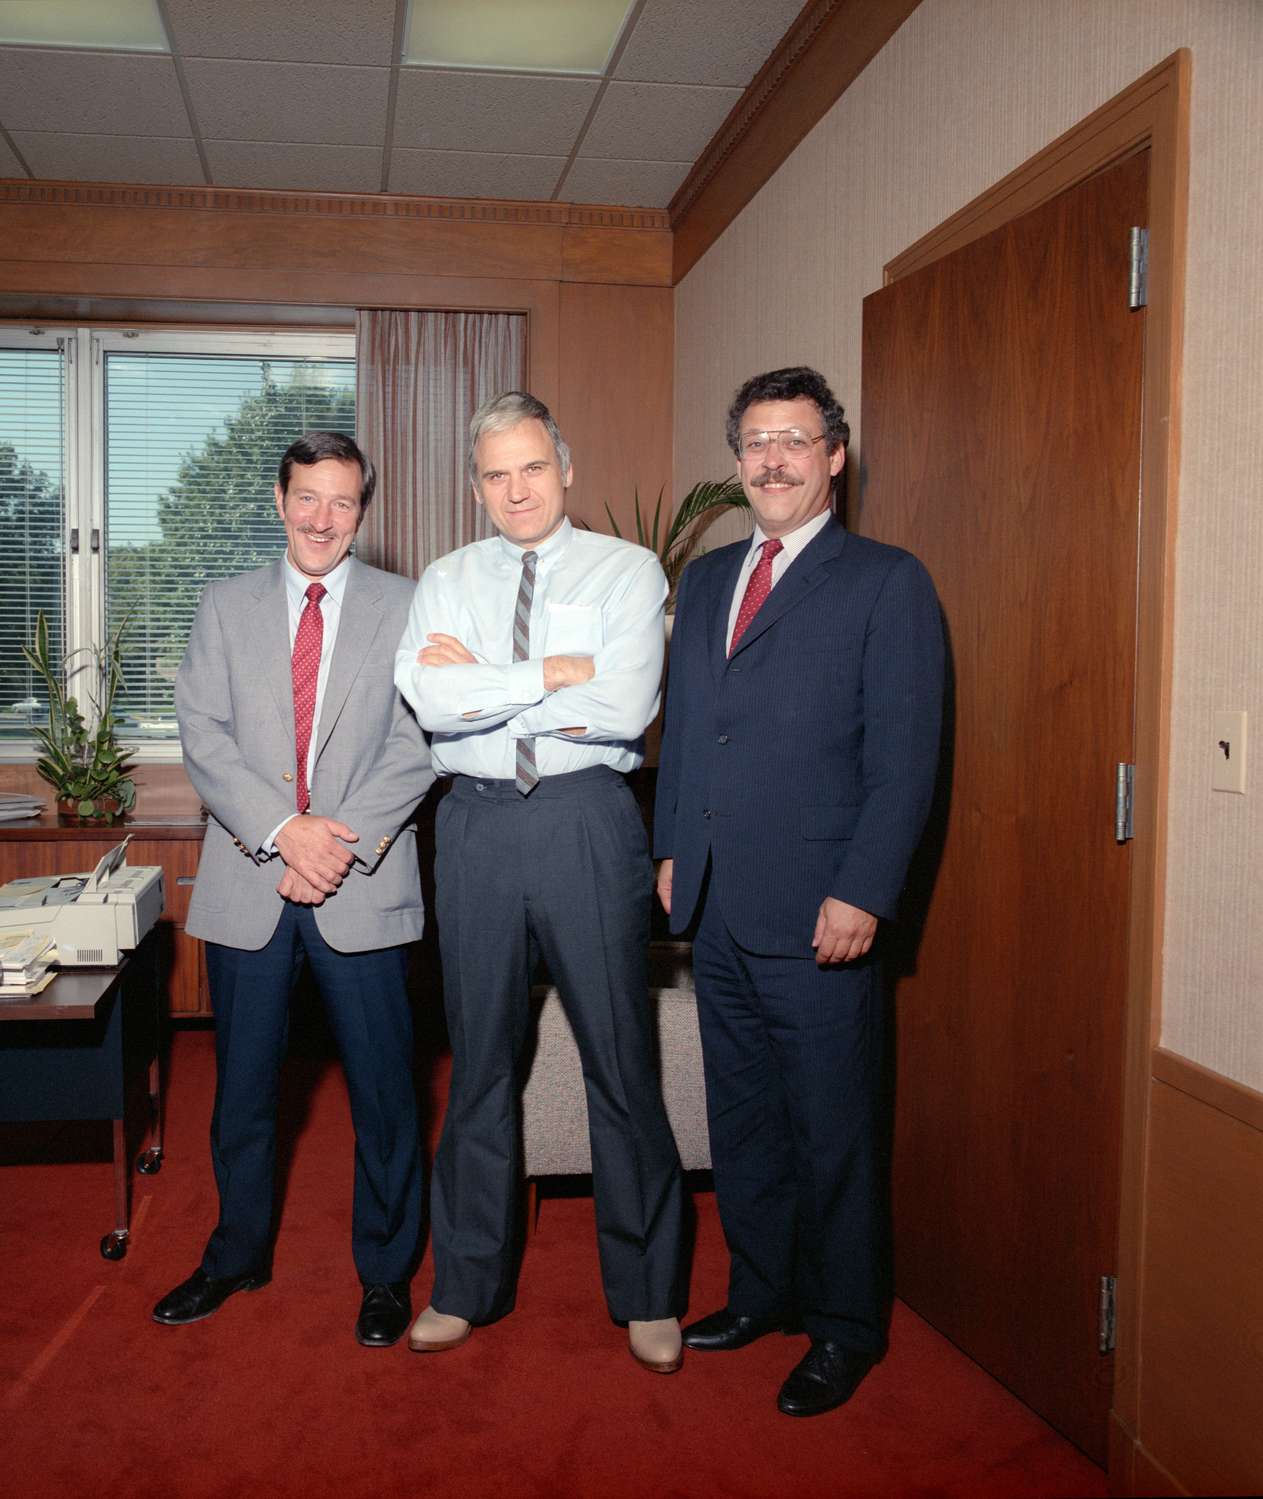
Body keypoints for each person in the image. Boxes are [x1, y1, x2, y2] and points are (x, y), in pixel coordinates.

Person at [654, 367, 943, 1415]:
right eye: (756, 442)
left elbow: (905, 761)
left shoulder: (886, 580)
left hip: (825, 904)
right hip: (719, 900)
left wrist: (864, 888)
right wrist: (671, 845)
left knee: (835, 1128)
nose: (773, 459)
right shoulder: (711, 580)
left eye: (796, 440)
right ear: (738, 463)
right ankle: (763, 1291)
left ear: (834, 456)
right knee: (744, 1121)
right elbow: (687, 731)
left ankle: (845, 1323)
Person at [393, 392, 686, 1373]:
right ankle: (465, 1284)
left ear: (566, 467)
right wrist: (545, 673)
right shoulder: (444, 578)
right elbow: (434, 704)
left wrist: (489, 675)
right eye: (494, 473)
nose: (515, 489)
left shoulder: (627, 569)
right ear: (475, 484)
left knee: (619, 1057)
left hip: (585, 823)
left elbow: (624, 705)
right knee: (477, 1063)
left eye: (531, 467)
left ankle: (649, 1290)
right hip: (472, 824)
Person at [155, 430, 434, 1349]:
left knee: (388, 1095)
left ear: (364, 509)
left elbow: (418, 741)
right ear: (279, 501)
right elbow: (203, 734)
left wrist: (332, 844)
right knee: (241, 1091)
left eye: (342, 501)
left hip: (363, 877)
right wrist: (283, 832)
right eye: (307, 498)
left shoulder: (406, 605)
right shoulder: (223, 606)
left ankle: (387, 1274)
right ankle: (236, 1254)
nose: (322, 518)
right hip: (250, 878)